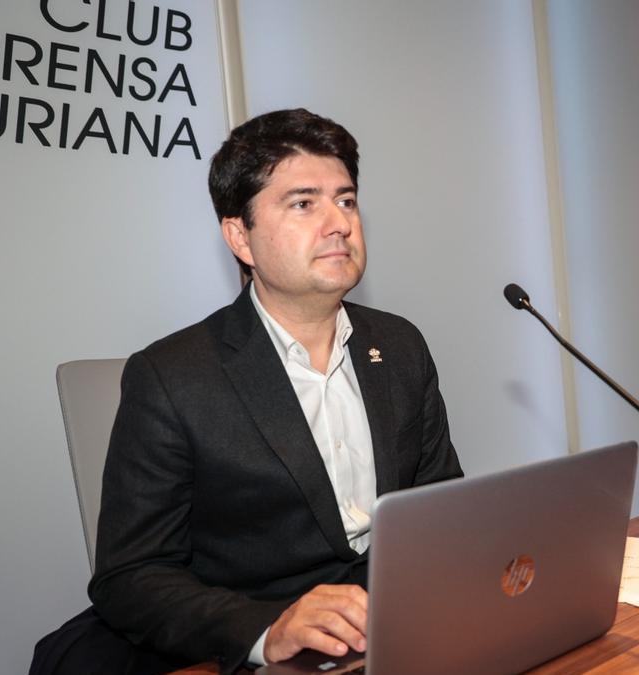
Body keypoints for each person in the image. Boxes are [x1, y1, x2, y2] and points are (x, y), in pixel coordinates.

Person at [30, 109, 463, 675]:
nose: (338, 223)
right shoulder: (171, 375)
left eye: (347, 200)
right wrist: (265, 629)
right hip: (255, 636)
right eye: (304, 203)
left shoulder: (400, 344)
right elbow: (130, 577)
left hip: (385, 629)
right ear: (241, 236)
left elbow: (440, 508)